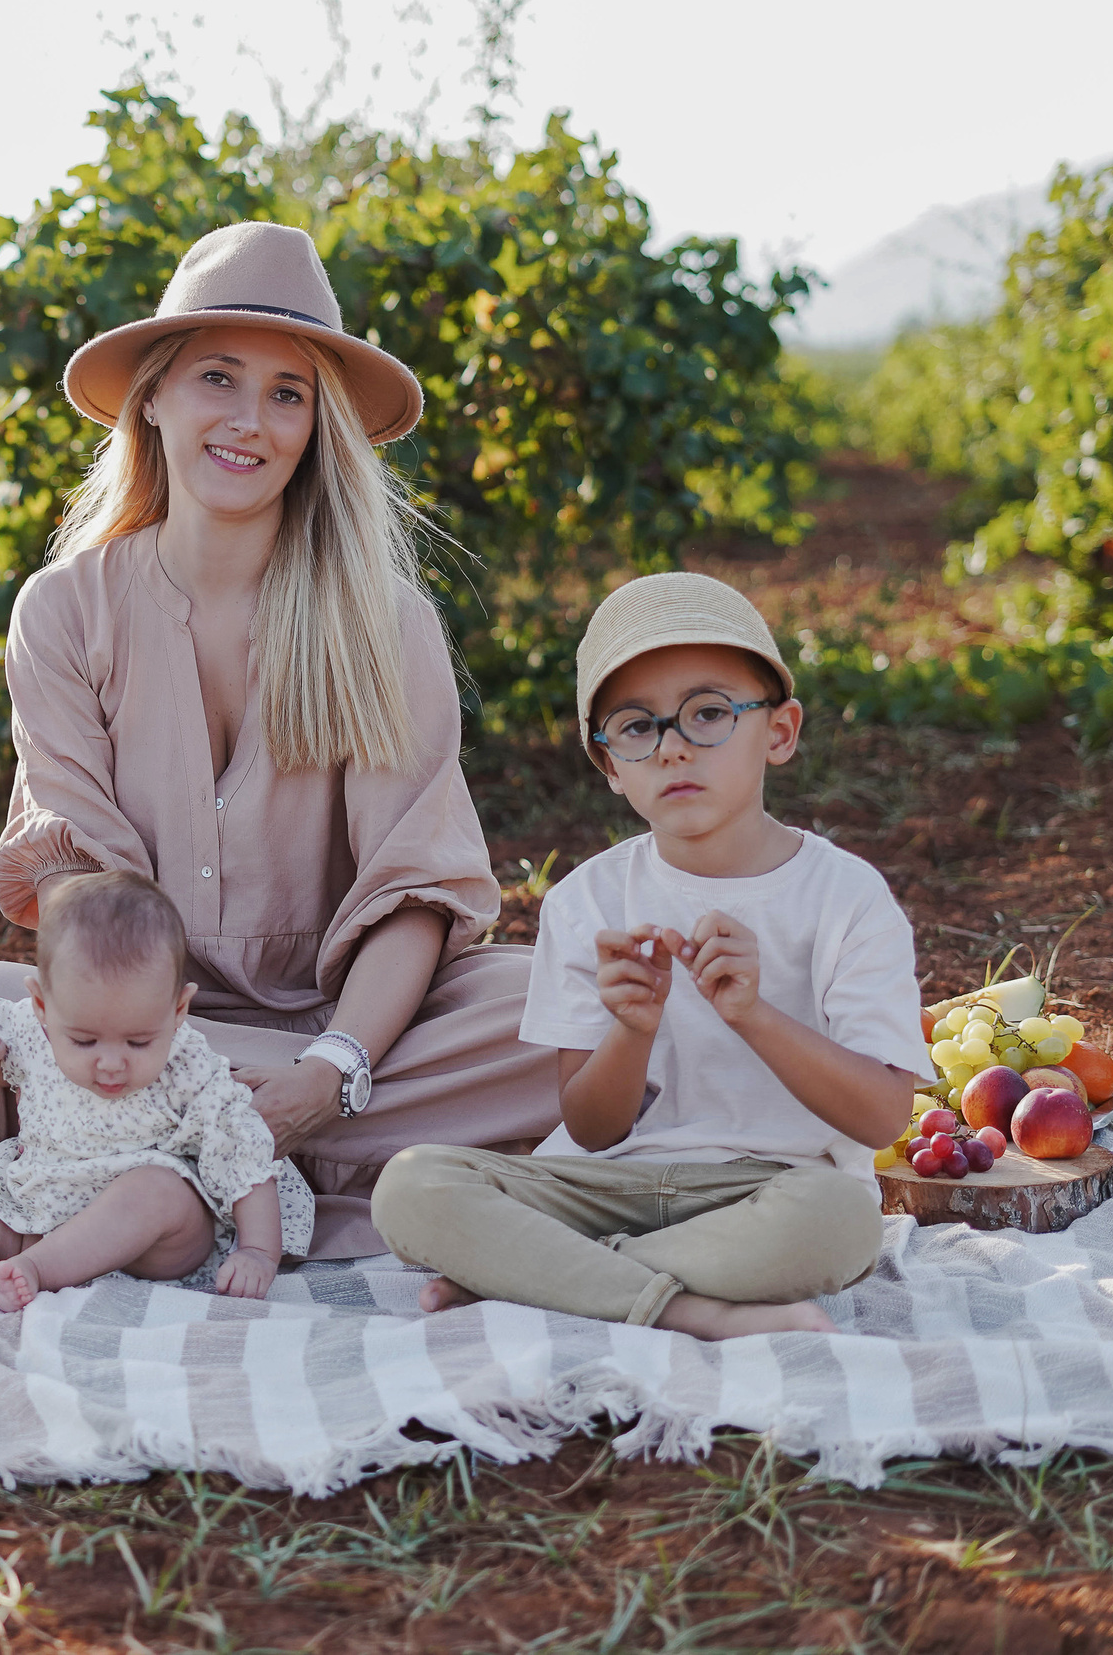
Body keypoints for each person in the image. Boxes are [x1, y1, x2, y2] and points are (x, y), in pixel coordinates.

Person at [0, 221, 558, 1258]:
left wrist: (331, 1069)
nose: (250, 422)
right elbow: (83, 888)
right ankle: (308, 1157)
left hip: (362, 1027)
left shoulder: (383, 621)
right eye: (218, 378)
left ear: (317, 428)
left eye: (287, 393)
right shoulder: (65, 612)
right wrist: (153, 1043)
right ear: (153, 395)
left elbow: (412, 886)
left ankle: (181, 1155)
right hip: (152, 1026)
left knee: (567, 1011)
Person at [370, 573, 930, 1339]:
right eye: (637, 727)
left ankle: (545, 1275)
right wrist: (630, 1028)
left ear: (780, 730)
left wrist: (753, 1015)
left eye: (708, 713)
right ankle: (691, 1309)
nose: (671, 748)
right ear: (608, 765)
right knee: (412, 1186)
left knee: (841, 1223)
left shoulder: (846, 898)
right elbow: (592, 1128)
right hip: (603, 1183)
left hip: (774, 1190)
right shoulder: (588, 901)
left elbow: (880, 1117)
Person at [0, 870, 307, 1309]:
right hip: (45, 1209)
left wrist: (259, 1252)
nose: (110, 1062)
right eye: (83, 1040)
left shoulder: (190, 1069)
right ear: (42, 1005)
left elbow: (245, 1157)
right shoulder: (26, 1028)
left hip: (152, 1244)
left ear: (178, 1009)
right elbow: (19, 1075)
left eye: (138, 1041)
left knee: (156, 1191)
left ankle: (38, 1270)